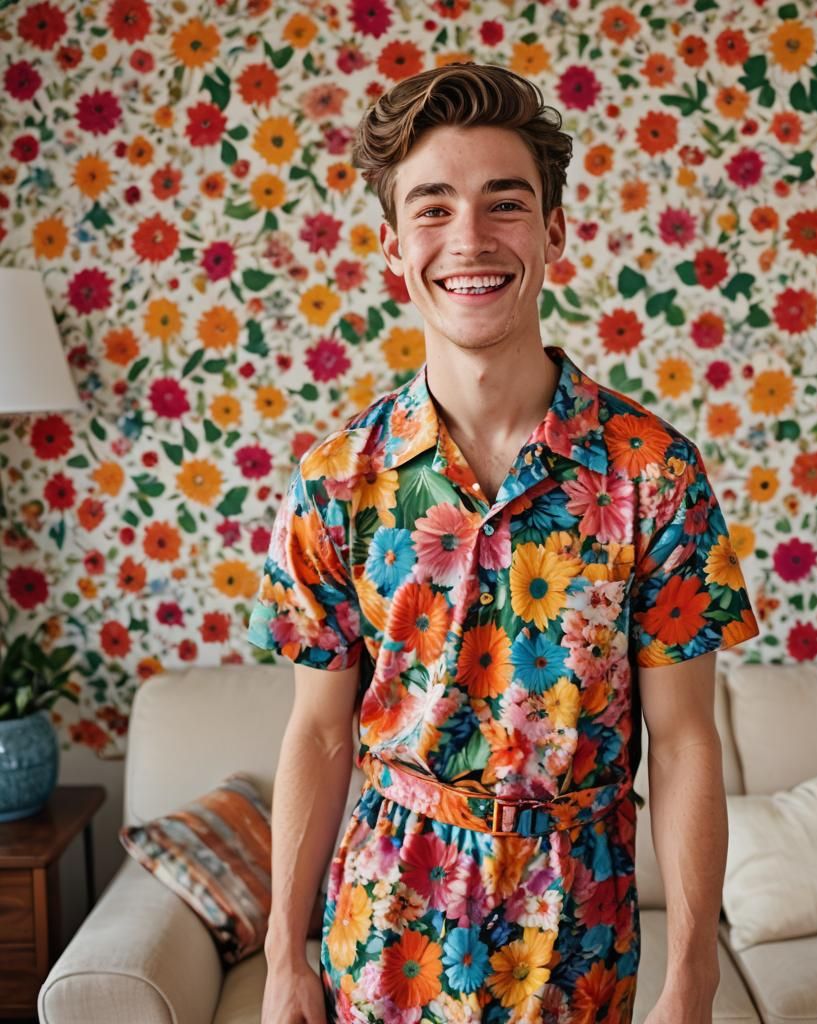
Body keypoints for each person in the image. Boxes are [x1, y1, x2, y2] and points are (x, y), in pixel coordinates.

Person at [248, 61, 759, 1024]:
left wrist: (695, 973)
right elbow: (320, 730)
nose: (470, 240)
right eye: (432, 208)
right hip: (383, 922)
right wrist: (285, 955)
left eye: (505, 204)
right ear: (394, 249)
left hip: (581, 930)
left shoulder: (655, 473)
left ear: (556, 232)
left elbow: (686, 737)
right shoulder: (335, 481)